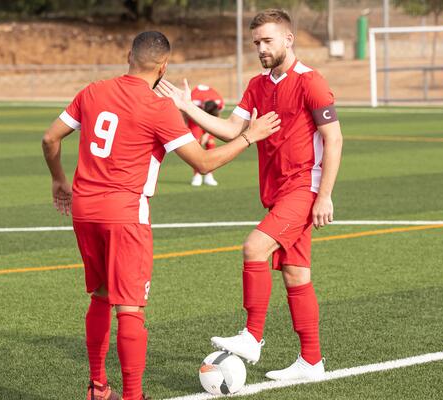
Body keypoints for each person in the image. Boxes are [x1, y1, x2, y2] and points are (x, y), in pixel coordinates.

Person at [41, 31, 280, 400]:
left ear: (127, 55)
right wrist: (250, 136)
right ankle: (133, 396)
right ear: (164, 66)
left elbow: (49, 139)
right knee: (130, 307)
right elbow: (202, 163)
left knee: (101, 295)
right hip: (125, 213)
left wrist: (59, 180)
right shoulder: (158, 108)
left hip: (84, 210)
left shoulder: (92, 91)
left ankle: (97, 386)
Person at [157, 8, 343, 381]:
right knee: (296, 274)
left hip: (303, 188)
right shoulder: (258, 86)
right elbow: (230, 129)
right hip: (276, 192)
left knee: (253, 248)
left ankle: (252, 337)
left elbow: (333, 138)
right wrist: (186, 107)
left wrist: (324, 195)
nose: (260, 48)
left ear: (288, 39)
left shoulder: (312, 82)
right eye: (256, 42)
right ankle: (311, 362)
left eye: (267, 40)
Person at [188, 85, 224, 186]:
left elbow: (216, 116)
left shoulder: (219, 102)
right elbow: (184, 112)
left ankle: (209, 175)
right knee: (196, 145)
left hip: (211, 121)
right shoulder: (193, 100)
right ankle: (196, 175)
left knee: (211, 145)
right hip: (194, 120)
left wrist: (207, 134)